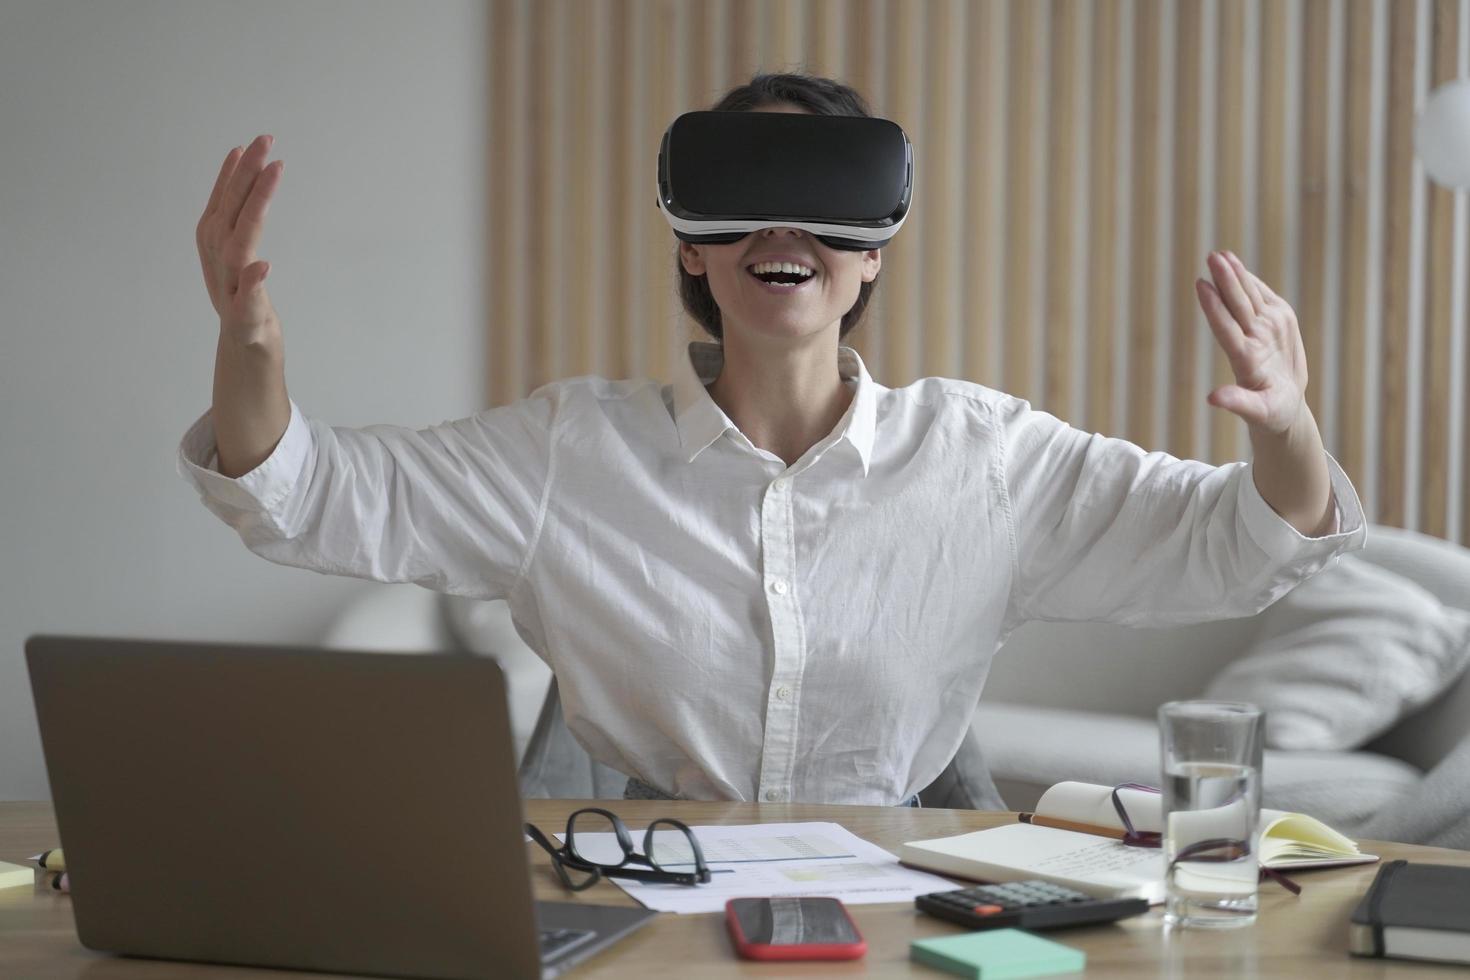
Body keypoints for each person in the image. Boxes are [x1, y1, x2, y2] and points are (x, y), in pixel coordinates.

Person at [181, 73, 1364, 808]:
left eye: (823, 198)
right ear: (692, 244)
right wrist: (254, 353)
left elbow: (1246, 542)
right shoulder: (569, 452)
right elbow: (307, 492)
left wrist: (1289, 425)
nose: (783, 227)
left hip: (902, 906)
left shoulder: (984, 459)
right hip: (651, 900)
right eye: (744, 193)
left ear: (873, 251)